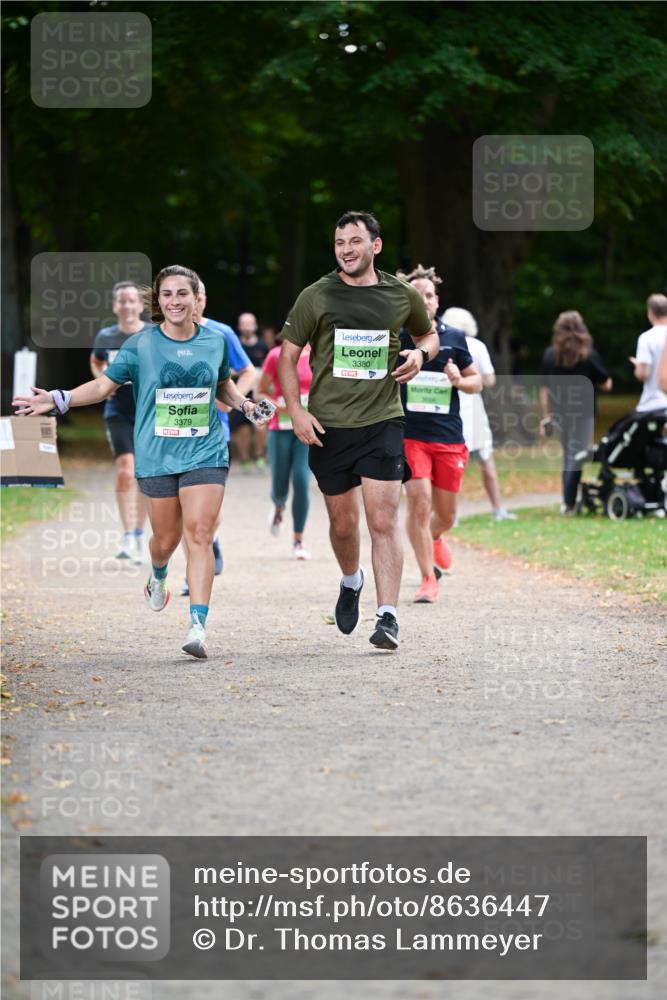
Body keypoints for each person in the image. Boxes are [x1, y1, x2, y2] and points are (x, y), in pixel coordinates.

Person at [13, 265, 270, 659]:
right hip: (157, 454)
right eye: (167, 294)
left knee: (199, 533)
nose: (174, 301)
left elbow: (222, 385)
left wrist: (246, 405)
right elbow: (104, 385)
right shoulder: (141, 344)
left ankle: (197, 625)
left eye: (182, 293)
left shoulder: (215, 341)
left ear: (196, 297)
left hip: (205, 450)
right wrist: (59, 398)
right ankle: (158, 573)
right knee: (165, 541)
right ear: (158, 300)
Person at [278, 210, 439, 650]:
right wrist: (296, 410)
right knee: (343, 524)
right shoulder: (317, 295)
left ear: (376, 245)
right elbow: (287, 356)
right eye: (339, 243)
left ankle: (387, 616)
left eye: (354, 241)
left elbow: (429, 337)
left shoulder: (400, 293)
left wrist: (420, 357)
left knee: (383, 518)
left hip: (383, 421)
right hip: (329, 425)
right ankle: (351, 580)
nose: (346, 250)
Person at [397, 267, 481, 603]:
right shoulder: (397, 337)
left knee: (445, 514)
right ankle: (427, 578)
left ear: (437, 301)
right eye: (417, 294)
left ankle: (435, 536)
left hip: (448, 437)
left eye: (428, 294)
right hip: (410, 435)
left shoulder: (454, 338)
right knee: (419, 503)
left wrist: (458, 380)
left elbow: (478, 382)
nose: (424, 300)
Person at [179, 281, 256, 595]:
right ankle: (193, 569)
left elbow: (249, 371)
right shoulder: (165, 335)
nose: (191, 303)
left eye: (196, 296)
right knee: (184, 507)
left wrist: (229, 402)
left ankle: (206, 544)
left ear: (204, 300)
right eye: (185, 295)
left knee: (205, 505)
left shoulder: (221, 332)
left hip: (214, 429)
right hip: (176, 429)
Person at [90, 281, 150, 561]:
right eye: (122, 301)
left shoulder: (152, 334)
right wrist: (103, 382)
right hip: (118, 412)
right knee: (126, 471)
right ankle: (127, 536)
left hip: (148, 412)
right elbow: (96, 361)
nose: (127, 305)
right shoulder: (106, 336)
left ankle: (139, 534)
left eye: (131, 300)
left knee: (145, 474)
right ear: (116, 306)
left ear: (140, 305)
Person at [442, 306, 517, 523]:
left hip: (450, 407)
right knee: (486, 459)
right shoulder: (477, 346)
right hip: (473, 408)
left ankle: (451, 514)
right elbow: (490, 379)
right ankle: (497, 508)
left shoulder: (445, 345)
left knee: (452, 465)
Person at [539, 310, 612, 514]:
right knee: (576, 455)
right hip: (584, 413)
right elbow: (606, 383)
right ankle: (569, 502)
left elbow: (544, 388)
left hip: (560, 413)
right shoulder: (589, 355)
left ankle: (568, 501)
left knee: (569, 455)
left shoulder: (550, 355)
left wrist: (547, 415)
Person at [256, 342, 313, 559]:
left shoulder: (319, 353)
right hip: (279, 428)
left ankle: (298, 541)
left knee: (301, 480)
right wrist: (281, 407)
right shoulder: (275, 355)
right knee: (279, 483)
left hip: (306, 429)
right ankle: (279, 507)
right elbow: (260, 392)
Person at [232, 311, 270, 472]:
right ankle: (245, 459)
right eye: (244, 323)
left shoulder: (263, 346)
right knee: (244, 430)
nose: (247, 327)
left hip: (260, 393)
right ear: (240, 327)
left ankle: (260, 456)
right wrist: (245, 373)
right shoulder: (234, 345)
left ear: (255, 326)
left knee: (260, 426)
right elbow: (227, 369)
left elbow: (269, 370)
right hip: (239, 393)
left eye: (250, 323)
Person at [629, 293, 667, 412]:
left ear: (650, 312)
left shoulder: (646, 338)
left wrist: (637, 366)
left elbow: (643, 373)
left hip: (653, 403)